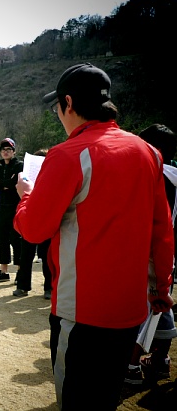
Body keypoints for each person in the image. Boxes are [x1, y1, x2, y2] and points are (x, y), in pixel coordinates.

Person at [13, 63, 174, 409]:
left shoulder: (68, 154)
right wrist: (160, 290)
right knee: (105, 398)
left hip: (81, 312)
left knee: (76, 401)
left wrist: (26, 196)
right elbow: (161, 230)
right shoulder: (148, 152)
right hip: (131, 308)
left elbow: (33, 228)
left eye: (57, 107)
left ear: (68, 103)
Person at [124, 123, 177, 384]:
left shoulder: (151, 174)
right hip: (168, 253)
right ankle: (159, 360)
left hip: (145, 253)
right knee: (160, 308)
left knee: (140, 312)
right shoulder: (174, 176)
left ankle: (131, 365)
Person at [12, 149, 51, 298]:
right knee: (26, 254)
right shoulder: (27, 179)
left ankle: (49, 287)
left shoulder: (52, 177)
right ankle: (23, 286)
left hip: (47, 219)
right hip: (30, 217)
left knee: (47, 255)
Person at [0, 138, 22, 282]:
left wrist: (2, 183)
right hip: (2, 207)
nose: (6, 152)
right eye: (3, 150)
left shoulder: (19, 166)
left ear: (14, 151)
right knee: (2, 239)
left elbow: (17, 183)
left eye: (9, 149)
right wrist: (6, 184)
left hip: (16, 207)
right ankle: (4, 271)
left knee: (16, 239)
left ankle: (20, 271)